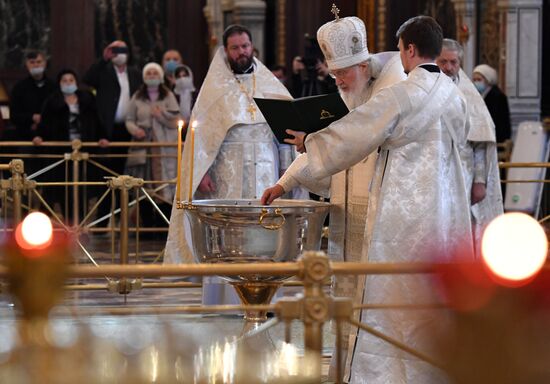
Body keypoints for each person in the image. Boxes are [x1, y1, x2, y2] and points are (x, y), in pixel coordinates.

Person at [262, 16, 474, 383]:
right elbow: (464, 138)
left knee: (390, 296)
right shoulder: (454, 95)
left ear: (408, 48)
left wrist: (309, 142)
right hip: (441, 210)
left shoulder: (400, 94)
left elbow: (357, 133)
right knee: (426, 295)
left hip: (397, 215)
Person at [273, 13, 406, 373]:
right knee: (345, 289)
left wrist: (312, 144)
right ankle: (347, 368)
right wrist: (284, 183)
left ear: (364, 65)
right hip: (349, 211)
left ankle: (373, 371)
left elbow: (342, 142)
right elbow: (333, 147)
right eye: (334, 74)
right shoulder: (351, 99)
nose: (339, 81)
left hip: (378, 214)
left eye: (344, 73)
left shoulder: (387, 95)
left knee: (371, 295)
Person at [165, 25, 300, 304]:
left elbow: (286, 133)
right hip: (228, 172)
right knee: (228, 235)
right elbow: (201, 136)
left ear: (253, 47)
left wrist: (288, 169)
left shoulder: (270, 85)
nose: (242, 52)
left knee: (267, 232)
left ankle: (266, 300)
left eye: (246, 46)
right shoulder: (215, 88)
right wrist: (201, 173)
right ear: (226, 51)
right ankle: (226, 301)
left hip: (266, 169)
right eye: (236, 47)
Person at [436, 38, 503, 256]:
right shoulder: (425, 88)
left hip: (464, 172)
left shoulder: (469, 94)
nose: (448, 67)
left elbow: (480, 143)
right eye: (443, 61)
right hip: (433, 171)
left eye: (453, 62)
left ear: (460, 64)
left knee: (461, 225)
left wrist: (480, 181)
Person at [32, 69, 108, 224]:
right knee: (58, 191)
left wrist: (102, 137)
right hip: (60, 153)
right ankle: (56, 226)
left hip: (83, 152)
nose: (68, 83)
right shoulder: (52, 101)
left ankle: (79, 226)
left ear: (76, 82)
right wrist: (39, 137)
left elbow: (97, 121)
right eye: (64, 81)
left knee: (81, 191)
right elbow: (44, 124)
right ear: (59, 83)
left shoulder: (87, 99)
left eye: (70, 80)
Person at [83, 40, 141, 226]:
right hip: (106, 131)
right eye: (115, 50)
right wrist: (103, 59)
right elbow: (88, 79)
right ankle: (102, 219)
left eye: (123, 50)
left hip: (129, 130)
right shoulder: (104, 71)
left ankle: (121, 219)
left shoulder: (134, 73)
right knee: (107, 176)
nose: (120, 54)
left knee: (125, 176)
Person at [125, 62, 180, 232]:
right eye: (148, 73)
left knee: (164, 185)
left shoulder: (168, 95)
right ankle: (147, 227)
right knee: (144, 185)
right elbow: (129, 119)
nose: (151, 76)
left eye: (154, 73)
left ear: (161, 76)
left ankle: (164, 228)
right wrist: (136, 130)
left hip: (163, 147)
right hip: (143, 146)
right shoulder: (138, 96)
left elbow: (175, 121)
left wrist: (160, 115)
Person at [9, 51, 56, 174]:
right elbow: (14, 115)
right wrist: (31, 118)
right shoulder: (19, 88)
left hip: (49, 139)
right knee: (26, 174)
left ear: (45, 63)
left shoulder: (54, 87)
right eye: (32, 62)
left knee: (50, 174)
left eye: (39, 62)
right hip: (26, 138)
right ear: (27, 65)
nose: (36, 65)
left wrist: (43, 120)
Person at [472, 64, 511, 145]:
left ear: (488, 80)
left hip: (496, 139)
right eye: (474, 80)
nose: (476, 82)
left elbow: (494, 120)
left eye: (479, 79)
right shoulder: (481, 95)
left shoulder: (497, 96)